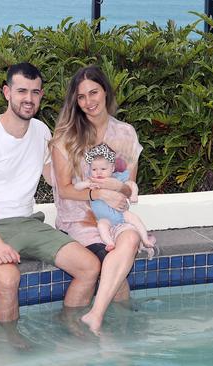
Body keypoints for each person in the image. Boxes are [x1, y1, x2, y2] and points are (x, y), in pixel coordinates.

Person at [0, 62, 100, 326]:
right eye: (22, 91)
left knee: (89, 267)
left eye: (35, 92)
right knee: (9, 278)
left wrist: (89, 184)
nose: (28, 99)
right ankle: (8, 346)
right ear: (7, 92)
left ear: (41, 96)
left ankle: (68, 330)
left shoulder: (41, 131)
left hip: (26, 222)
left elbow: (54, 178)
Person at [50, 65, 144, 334]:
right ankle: (110, 327)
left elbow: (128, 189)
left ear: (105, 91)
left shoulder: (125, 133)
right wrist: (99, 192)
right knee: (115, 269)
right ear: (75, 101)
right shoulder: (67, 137)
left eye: (94, 93)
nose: (89, 102)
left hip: (113, 217)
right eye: (81, 97)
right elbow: (66, 190)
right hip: (79, 219)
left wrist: (119, 188)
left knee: (130, 239)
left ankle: (97, 318)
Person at [74, 143, 155, 255]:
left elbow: (131, 184)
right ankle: (110, 243)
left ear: (112, 168)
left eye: (103, 169)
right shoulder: (92, 181)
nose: (98, 172)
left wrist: (133, 194)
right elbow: (77, 187)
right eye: (94, 169)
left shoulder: (117, 178)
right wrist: (86, 185)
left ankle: (145, 238)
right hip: (103, 218)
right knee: (101, 226)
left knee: (134, 218)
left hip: (120, 214)